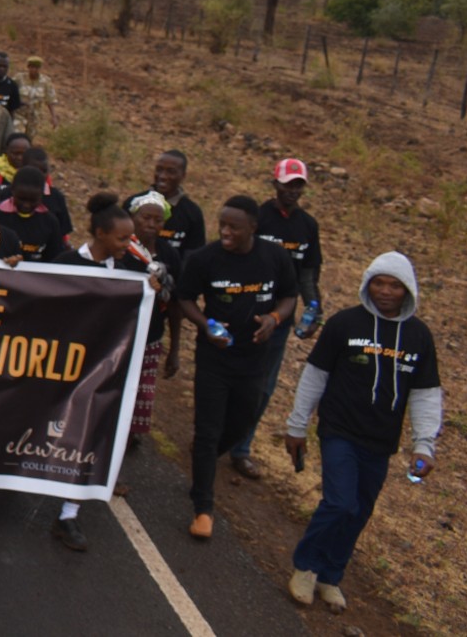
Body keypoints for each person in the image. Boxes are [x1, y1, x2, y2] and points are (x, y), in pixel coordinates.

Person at [283, 252, 440, 613]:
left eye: (394, 285)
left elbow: (426, 394)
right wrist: (297, 424)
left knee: (359, 512)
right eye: (379, 283)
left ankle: (330, 576)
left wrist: (424, 445)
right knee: (339, 502)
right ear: (368, 284)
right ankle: (305, 566)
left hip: (381, 441)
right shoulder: (344, 324)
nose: (385, 291)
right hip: (339, 430)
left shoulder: (419, 337)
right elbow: (314, 376)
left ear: (408, 290)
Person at [176, 195, 297, 539]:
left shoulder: (275, 256)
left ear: (253, 228)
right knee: (208, 429)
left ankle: (205, 458)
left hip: (254, 362)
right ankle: (203, 508)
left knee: (241, 423)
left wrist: (275, 318)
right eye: (223, 225)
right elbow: (185, 298)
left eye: (234, 227)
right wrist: (206, 325)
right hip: (214, 360)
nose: (226, 232)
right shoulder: (205, 259)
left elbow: (290, 296)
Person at [49, 193, 149, 552]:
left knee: (88, 434)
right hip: (60, 367)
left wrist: (153, 288)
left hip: (102, 370)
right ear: (101, 234)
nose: (129, 244)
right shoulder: (64, 262)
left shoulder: (130, 272)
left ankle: (68, 514)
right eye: (123, 238)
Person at [230, 158, 325, 479]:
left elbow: (308, 276)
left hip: (280, 322)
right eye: (288, 184)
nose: (293, 191)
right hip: (244, 313)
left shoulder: (308, 226)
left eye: (298, 185)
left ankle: (241, 449)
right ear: (275, 184)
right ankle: (213, 437)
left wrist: (314, 310)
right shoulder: (256, 217)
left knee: (262, 387)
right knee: (230, 378)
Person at [125, 192, 182, 446]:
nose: (151, 224)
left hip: (152, 335)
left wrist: (175, 348)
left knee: (142, 390)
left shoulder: (170, 255)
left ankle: (130, 434)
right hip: (121, 334)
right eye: (145, 217)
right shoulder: (121, 249)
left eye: (157, 220)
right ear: (132, 218)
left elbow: (175, 304)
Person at [128, 151, 205, 253]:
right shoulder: (133, 203)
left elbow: (193, 256)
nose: (163, 176)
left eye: (171, 171)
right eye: (159, 170)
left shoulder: (192, 213)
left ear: (183, 176)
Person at [14, 56, 59, 139]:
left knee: (28, 140)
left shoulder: (46, 82)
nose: (34, 70)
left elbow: (50, 100)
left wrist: (53, 117)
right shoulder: (19, 78)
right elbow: (10, 92)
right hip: (19, 114)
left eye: (36, 67)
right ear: (28, 67)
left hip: (34, 117)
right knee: (17, 136)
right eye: (32, 67)